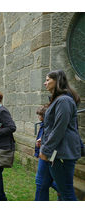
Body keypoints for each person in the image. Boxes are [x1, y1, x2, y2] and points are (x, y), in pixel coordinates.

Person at [39, 70, 81, 201]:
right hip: (57, 150)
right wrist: (44, 139)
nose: (45, 83)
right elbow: (53, 126)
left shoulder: (64, 100)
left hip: (62, 152)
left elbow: (60, 128)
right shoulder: (59, 99)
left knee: (66, 192)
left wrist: (46, 149)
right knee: (60, 190)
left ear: (56, 80)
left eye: (47, 80)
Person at [34, 105, 60, 201]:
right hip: (44, 154)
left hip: (50, 156)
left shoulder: (50, 125)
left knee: (45, 181)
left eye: (39, 115)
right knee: (41, 182)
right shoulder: (43, 125)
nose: (38, 117)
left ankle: (63, 192)